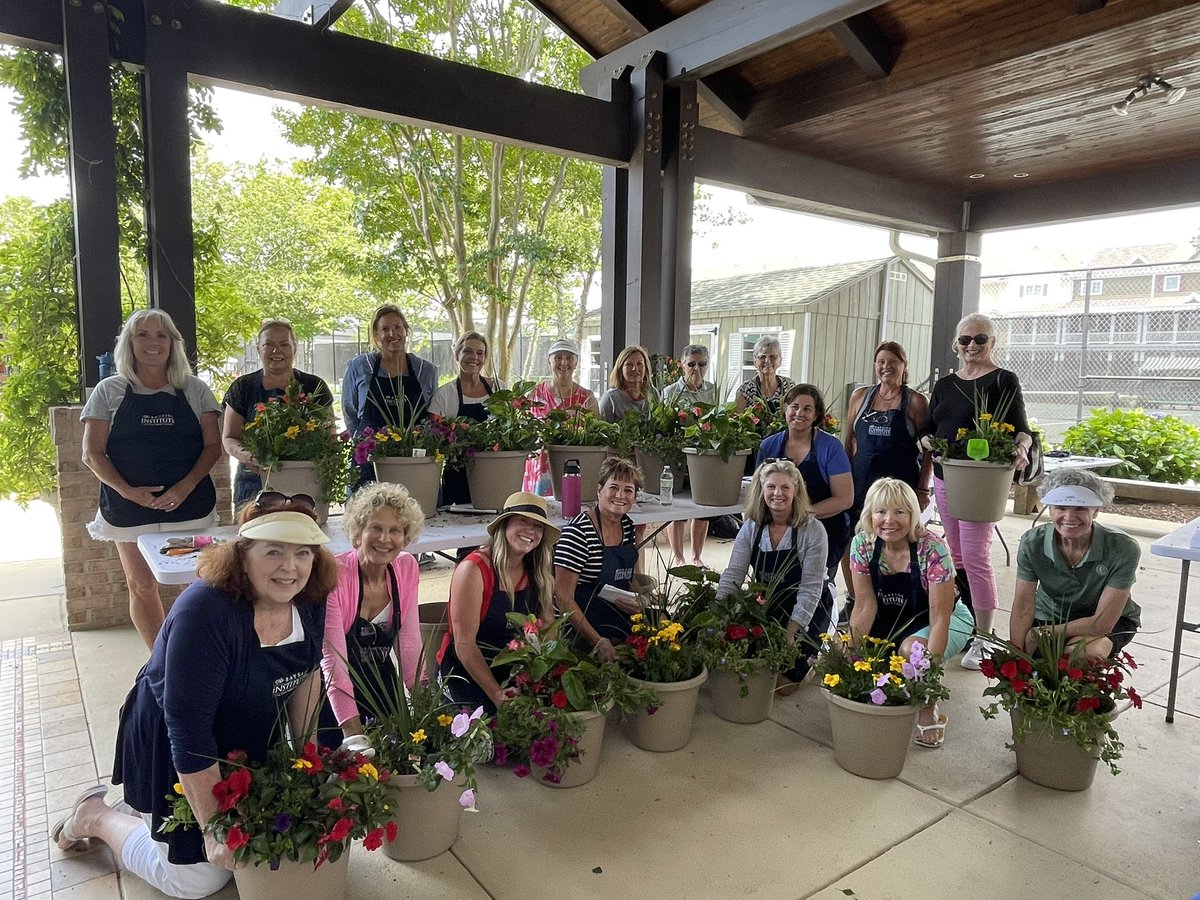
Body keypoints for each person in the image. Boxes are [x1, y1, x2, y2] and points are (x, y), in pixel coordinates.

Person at [51, 497, 336, 898]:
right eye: (273, 551)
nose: (290, 567)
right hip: (171, 743)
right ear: (243, 554)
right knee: (196, 879)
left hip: (246, 737)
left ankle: (138, 810)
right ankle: (95, 816)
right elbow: (188, 730)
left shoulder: (309, 597)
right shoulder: (204, 612)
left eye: (303, 552)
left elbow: (306, 675)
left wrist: (307, 764)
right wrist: (214, 827)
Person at [81, 309, 223, 649]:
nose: (153, 342)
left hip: (190, 505)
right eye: (142, 334)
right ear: (129, 343)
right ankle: (161, 661)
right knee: (141, 585)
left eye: (161, 335)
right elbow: (92, 454)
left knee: (198, 584)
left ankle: (195, 656)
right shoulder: (109, 390)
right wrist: (128, 492)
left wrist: (184, 487)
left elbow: (213, 446)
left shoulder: (195, 390)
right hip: (128, 510)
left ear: (173, 343)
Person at [919, 312, 1034, 670]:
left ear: (992, 343)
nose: (971, 346)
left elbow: (1021, 429)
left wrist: (1021, 449)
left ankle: (985, 637)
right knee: (955, 555)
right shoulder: (945, 385)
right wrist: (927, 442)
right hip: (945, 477)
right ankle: (965, 623)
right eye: (965, 340)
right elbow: (927, 428)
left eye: (979, 340)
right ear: (956, 344)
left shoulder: (1003, 380)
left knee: (976, 556)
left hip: (982, 482)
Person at [848, 478, 973, 748]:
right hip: (890, 619)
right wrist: (847, 652)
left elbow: (940, 618)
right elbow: (864, 606)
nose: (889, 520)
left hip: (947, 619)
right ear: (870, 514)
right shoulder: (862, 544)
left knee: (912, 650)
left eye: (899, 512)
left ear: (913, 514)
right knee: (848, 651)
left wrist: (929, 678)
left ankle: (928, 706)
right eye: (881, 511)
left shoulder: (932, 547)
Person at [321, 482, 424, 743]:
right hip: (333, 696)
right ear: (358, 534)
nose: (385, 539)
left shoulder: (406, 567)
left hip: (382, 685)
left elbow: (410, 645)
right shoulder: (335, 574)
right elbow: (333, 662)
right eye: (375, 528)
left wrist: (427, 711)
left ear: (406, 537)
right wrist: (353, 733)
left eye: (395, 530)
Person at [437, 492, 559, 713]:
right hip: (466, 670)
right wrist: (496, 693)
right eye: (523, 521)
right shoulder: (474, 569)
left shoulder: (538, 568)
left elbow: (549, 624)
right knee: (482, 737)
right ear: (504, 524)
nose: (531, 531)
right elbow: (464, 645)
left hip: (514, 668)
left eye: (538, 526)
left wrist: (540, 672)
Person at [717, 459, 829, 694]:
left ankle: (812, 665)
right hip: (768, 605)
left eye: (785, 487)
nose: (777, 493)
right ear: (762, 489)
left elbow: (811, 587)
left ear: (796, 490)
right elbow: (733, 575)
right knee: (746, 668)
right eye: (771, 487)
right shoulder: (751, 527)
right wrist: (717, 618)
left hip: (809, 608)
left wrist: (791, 633)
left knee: (782, 687)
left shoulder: (812, 530)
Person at [1012, 470, 1141, 659]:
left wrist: (1044, 632)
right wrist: (1017, 656)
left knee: (1083, 655)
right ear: (1049, 509)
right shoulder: (1032, 542)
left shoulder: (1123, 548)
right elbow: (1023, 607)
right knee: (1030, 663)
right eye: (1061, 507)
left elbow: (1103, 622)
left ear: (1096, 511)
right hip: (1049, 615)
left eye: (1080, 508)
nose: (1069, 517)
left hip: (1105, 621)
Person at [840, 341, 931, 608]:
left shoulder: (915, 400)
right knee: (854, 538)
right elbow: (849, 440)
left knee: (897, 540)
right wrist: (843, 482)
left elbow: (928, 449)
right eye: (881, 362)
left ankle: (896, 600)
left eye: (893, 362)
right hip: (861, 482)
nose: (886, 367)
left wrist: (922, 489)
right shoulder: (860, 396)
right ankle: (855, 598)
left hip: (901, 485)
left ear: (904, 366)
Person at [222, 318, 333, 507]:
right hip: (254, 482)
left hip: (304, 483)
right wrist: (250, 456)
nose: (276, 351)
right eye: (269, 345)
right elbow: (229, 437)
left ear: (294, 348)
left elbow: (330, 436)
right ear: (258, 349)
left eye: (284, 344)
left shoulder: (315, 386)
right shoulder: (243, 387)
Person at [756, 384, 853, 585]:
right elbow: (758, 493)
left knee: (816, 589)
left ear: (817, 414)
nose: (799, 413)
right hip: (777, 532)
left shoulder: (831, 448)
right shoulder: (768, 446)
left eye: (807, 409)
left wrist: (800, 513)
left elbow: (845, 499)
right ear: (785, 409)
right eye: (794, 406)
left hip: (825, 531)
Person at [553, 457, 644, 659]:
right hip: (580, 619)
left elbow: (628, 576)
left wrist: (640, 602)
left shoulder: (627, 526)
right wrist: (598, 641)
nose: (620, 495)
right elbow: (563, 598)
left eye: (628, 490)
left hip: (614, 610)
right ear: (599, 490)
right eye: (613, 488)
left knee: (664, 622)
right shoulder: (578, 533)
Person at [342, 303, 439, 491]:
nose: (392, 334)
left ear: (406, 330)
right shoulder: (359, 367)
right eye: (385, 329)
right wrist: (365, 442)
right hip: (370, 461)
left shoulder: (426, 370)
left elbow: (431, 415)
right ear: (376, 335)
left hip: (413, 460)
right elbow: (350, 412)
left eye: (397, 327)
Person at [428, 331, 507, 505]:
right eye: (468, 351)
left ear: (485, 357)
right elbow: (434, 439)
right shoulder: (444, 395)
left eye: (480, 353)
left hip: (495, 475)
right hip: (457, 476)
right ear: (457, 354)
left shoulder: (500, 389)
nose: (474, 357)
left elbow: (511, 428)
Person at [662, 343, 718, 568]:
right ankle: (678, 557)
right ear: (682, 366)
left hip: (705, 455)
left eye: (702, 364)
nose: (696, 368)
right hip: (678, 455)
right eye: (691, 364)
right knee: (678, 508)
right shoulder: (670, 392)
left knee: (703, 508)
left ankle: (696, 555)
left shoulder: (713, 390)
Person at [523, 338, 599, 495]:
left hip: (573, 466)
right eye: (558, 357)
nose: (564, 363)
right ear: (549, 361)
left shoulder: (586, 397)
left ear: (576, 363)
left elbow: (596, 435)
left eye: (569, 358)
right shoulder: (534, 394)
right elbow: (522, 430)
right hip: (539, 467)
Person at [733, 334, 795, 414]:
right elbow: (737, 419)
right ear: (755, 362)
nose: (767, 361)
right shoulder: (745, 390)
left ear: (780, 361)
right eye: (762, 357)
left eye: (773, 357)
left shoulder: (789, 387)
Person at [598, 345, 653, 423]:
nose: (635, 368)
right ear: (620, 369)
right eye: (629, 364)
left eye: (639, 364)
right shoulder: (610, 398)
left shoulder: (653, 394)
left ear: (646, 368)